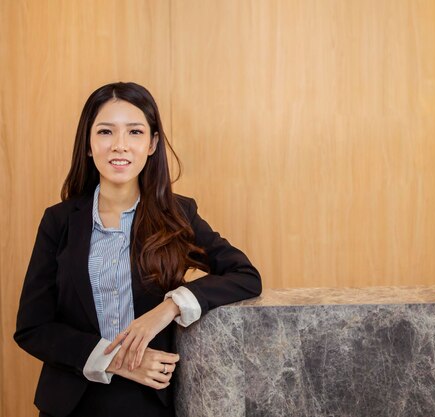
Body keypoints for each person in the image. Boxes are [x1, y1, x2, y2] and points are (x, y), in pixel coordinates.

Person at [14, 82, 262, 417]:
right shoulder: (58, 221)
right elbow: (33, 327)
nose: (120, 146)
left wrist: (169, 307)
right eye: (105, 132)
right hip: (71, 403)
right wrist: (118, 360)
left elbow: (245, 276)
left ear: (152, 143)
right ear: (88, 145)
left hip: (152, 402)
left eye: (134, 132)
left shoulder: (178, 214)